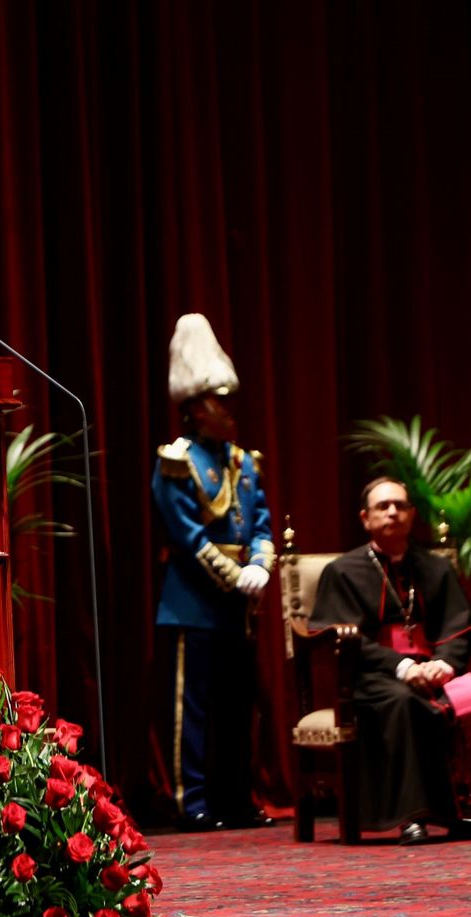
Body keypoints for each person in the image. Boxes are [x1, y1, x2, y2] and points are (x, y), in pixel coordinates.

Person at [309, 478, 471, 844]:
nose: (393, 512)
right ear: (365, 518)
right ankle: (413, 816)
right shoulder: (342, 571)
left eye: (400, 505)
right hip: (372, 676)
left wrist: (445, 664)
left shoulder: (436, 567)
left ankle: (470, 810)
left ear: (412, 515)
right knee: (406, 701)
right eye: (383, 506)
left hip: (434, 669)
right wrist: (403, 666)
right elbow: (343, 637)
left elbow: (459, 623)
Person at [152, 313, 275, 831]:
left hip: (239, 603)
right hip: (193, 602)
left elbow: (261, 522)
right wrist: (235, 575)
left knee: (237, 705)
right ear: (196, 408)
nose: (229, 410)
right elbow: (188, 536)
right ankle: (193, 801)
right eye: (219, 401)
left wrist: (261, 566)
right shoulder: (177, 461)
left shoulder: (244, 462)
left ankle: (236, 797)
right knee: (193, 708)